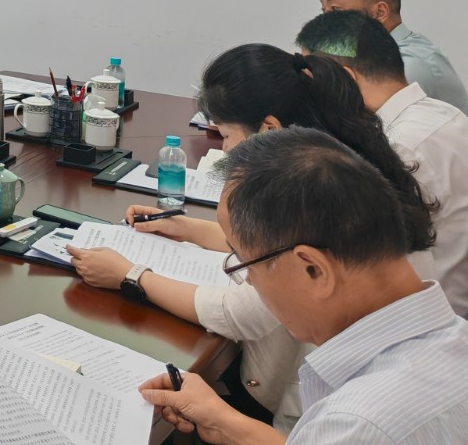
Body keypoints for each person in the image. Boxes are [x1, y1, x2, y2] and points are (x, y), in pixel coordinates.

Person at [65, 45, 437, 432]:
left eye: (248, 266)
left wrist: (132, 275)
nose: (243, 275)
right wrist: (189, 228)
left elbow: (242, 314)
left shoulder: (362, 419)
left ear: (313, 268)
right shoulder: (339, 169)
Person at [135, 129, 468, 445]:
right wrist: (226, 423)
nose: (249, 280)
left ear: (314, 270)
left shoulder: (357, 424)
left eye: (246, 263)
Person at [298, 9, 468, 315]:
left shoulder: (396, 148)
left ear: (345, 79)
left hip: (428, 315)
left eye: (312, 82)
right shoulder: (446, 113)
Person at [318, 0, 467, 114]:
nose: (324, 22)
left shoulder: (411, 65)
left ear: (380, 13)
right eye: (324, 11)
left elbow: (363, 122)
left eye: (336, 10)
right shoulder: (370, 57)